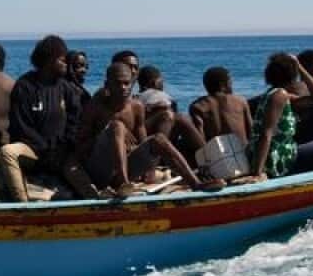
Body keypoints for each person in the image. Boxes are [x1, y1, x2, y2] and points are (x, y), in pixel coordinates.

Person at [75, 62, 210, 196]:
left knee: (159, 139)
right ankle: (124, 183)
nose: (123, 88)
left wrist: (137, 155)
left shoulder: (137, 107)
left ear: (132, 84)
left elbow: (143, 141)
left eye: (126, 83)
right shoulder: (95, 108)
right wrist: (111, 135)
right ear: (107, 85)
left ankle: (196, 183)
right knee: (117, 126)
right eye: (117, 83)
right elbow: (81, 147)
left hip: (125, 170)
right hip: (100, 172)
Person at [0, 35, 85, 201]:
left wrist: (63, 147)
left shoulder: (65, 87)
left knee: (79, 172)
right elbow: (20, 125)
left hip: (60, 152)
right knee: (8, 152)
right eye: (62, 60)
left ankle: (98, 200)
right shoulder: (25, 86)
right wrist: (44, 148)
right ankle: (22, 204)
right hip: (34, 151)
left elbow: (75, 120)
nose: (66, 64)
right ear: (49, 60)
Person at [135, 64, 207, 161]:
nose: (163, 84)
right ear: (155, 82)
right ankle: (208, 155)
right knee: (183, 119)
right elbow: (174, 119)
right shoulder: (161, 96)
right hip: (157, 142)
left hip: (142, 140)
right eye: (161, 81)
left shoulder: (135, 98)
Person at [189, 67, 252, 144]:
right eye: (230, 83)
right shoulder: (241, 101)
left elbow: (200, 137)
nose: (232, 85)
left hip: (215, 153)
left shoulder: (197, 106)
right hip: (241, 152)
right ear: (223, 85)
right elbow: (251, 131)